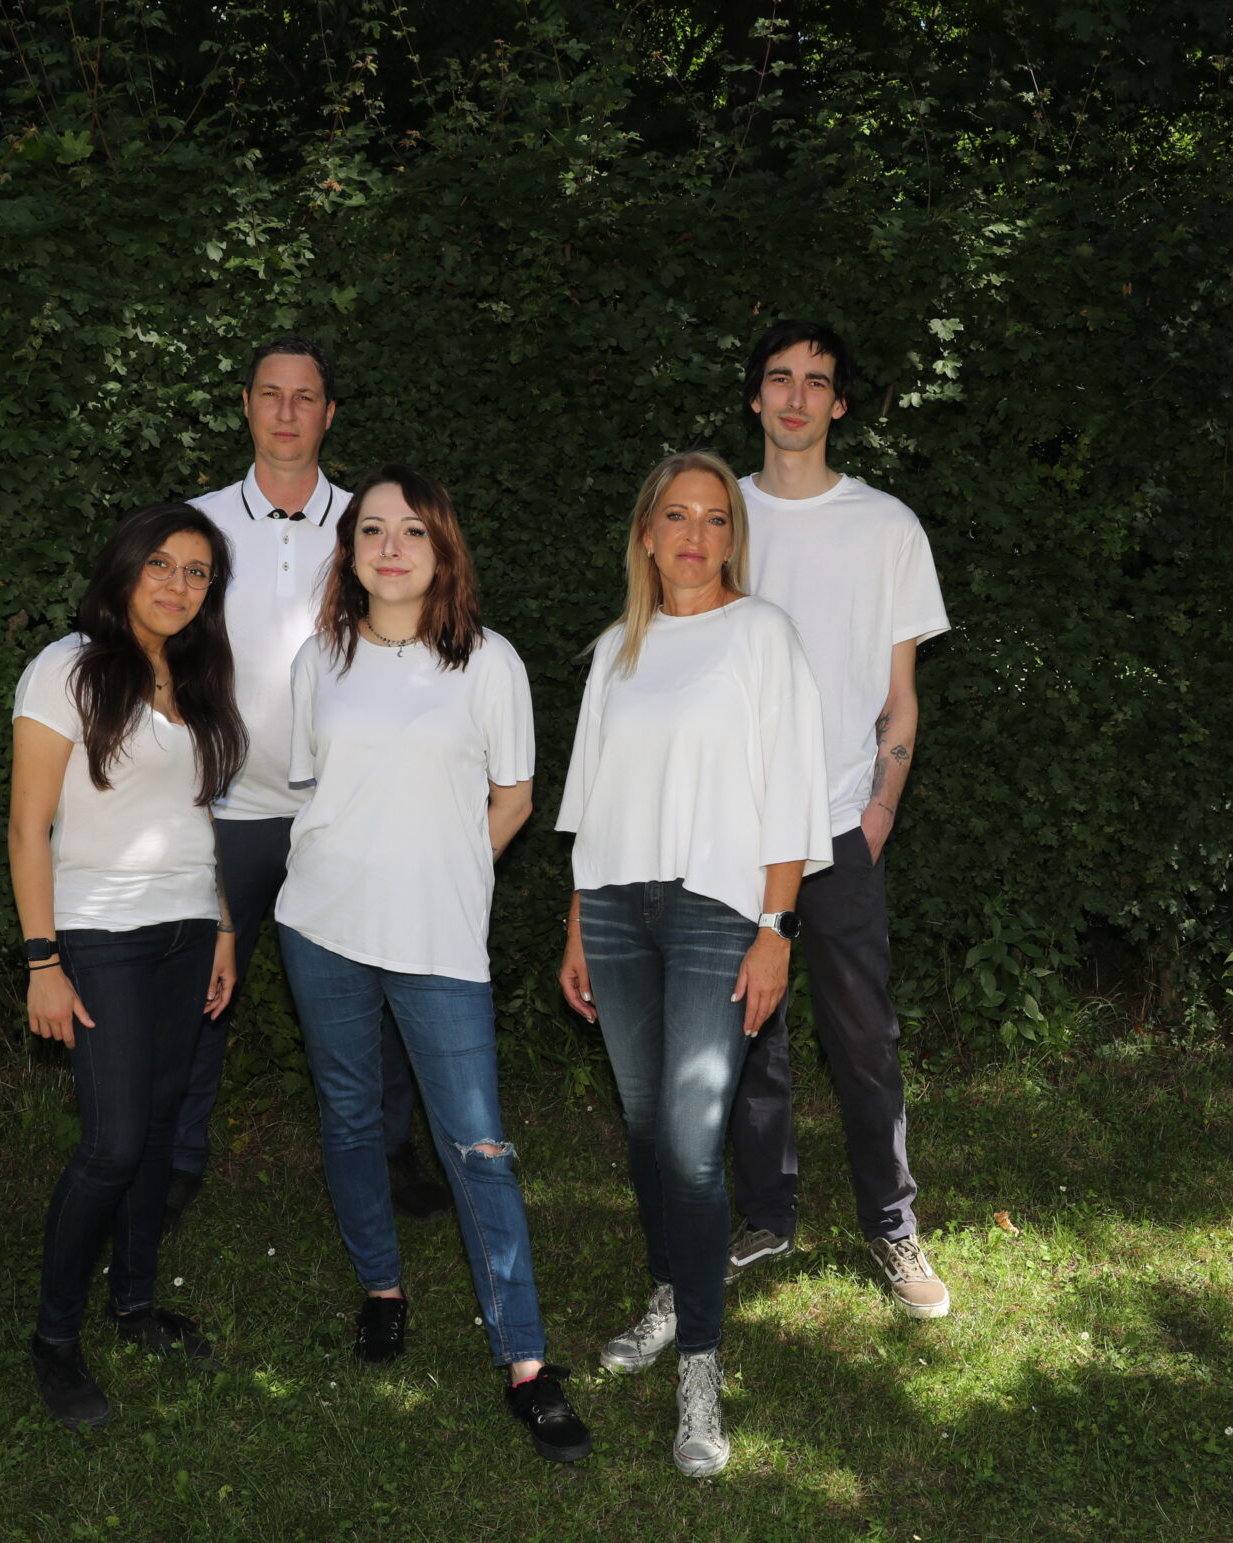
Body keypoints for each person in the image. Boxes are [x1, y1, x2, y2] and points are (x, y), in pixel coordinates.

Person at [277, 466, 591, 1463]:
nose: (391, 547)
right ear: (350, 552)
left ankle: (527, 1362)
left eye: (412, 531)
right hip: (320, 924)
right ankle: (382, 1289)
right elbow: (312, 793)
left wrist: (447, 867)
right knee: (351, 1117)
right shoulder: (317, 659)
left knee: (478, 1147)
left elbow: (514, 794)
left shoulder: (487, 663)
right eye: (371, 530)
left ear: (441, 548)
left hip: (440, 940)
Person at [556, 450, 830, 1477]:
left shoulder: (761, 636)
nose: (694, 535)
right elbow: (586, 808)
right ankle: (673, 1291)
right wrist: (577, 923)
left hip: (722, 909)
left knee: (691, 1136)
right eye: (675, 515)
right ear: (645, 533)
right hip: (619, 907)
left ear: (731, 538)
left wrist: (777, 927)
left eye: (714, 519)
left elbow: (794, 789)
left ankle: (702, 1370)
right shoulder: (613, 651)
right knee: (642, 1126)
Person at [176, 338, 448, 1238]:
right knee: (200, 992)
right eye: (271, 395)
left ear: (331, 414)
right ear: (246, 406)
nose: (288, 413)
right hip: (226, 808)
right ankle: (175, 1158)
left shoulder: (373, 524)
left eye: (307, 398)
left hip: (347, 810)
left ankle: (391, 1147)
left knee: (382, 979)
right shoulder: (197, 525)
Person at [727, 319, 955, 1320]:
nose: (795, 397)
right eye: (778, 378)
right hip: (728, 828)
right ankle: (765, 1215)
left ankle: (893, 1229)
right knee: (745, 1036)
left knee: (864, 1040)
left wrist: (879, 811)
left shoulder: (887, 528)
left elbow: (900, 694)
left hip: (836, 831)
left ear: (839, 404)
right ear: (754, 397)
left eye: (816, 382)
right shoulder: (712, 514)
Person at [10, 502, 246, 1430]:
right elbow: (30, 827)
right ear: (122, 568)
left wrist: (223, 926)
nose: (178, 585)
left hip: (189, 929)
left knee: (153, 1128)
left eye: (197, 572)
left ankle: (136, 1304)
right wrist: (43, 960)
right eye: (161, 563)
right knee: (111, 1143)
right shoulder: (66, 668)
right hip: (99, 934)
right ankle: (54, 1339)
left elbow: (200, 820)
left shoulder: (195, 675)